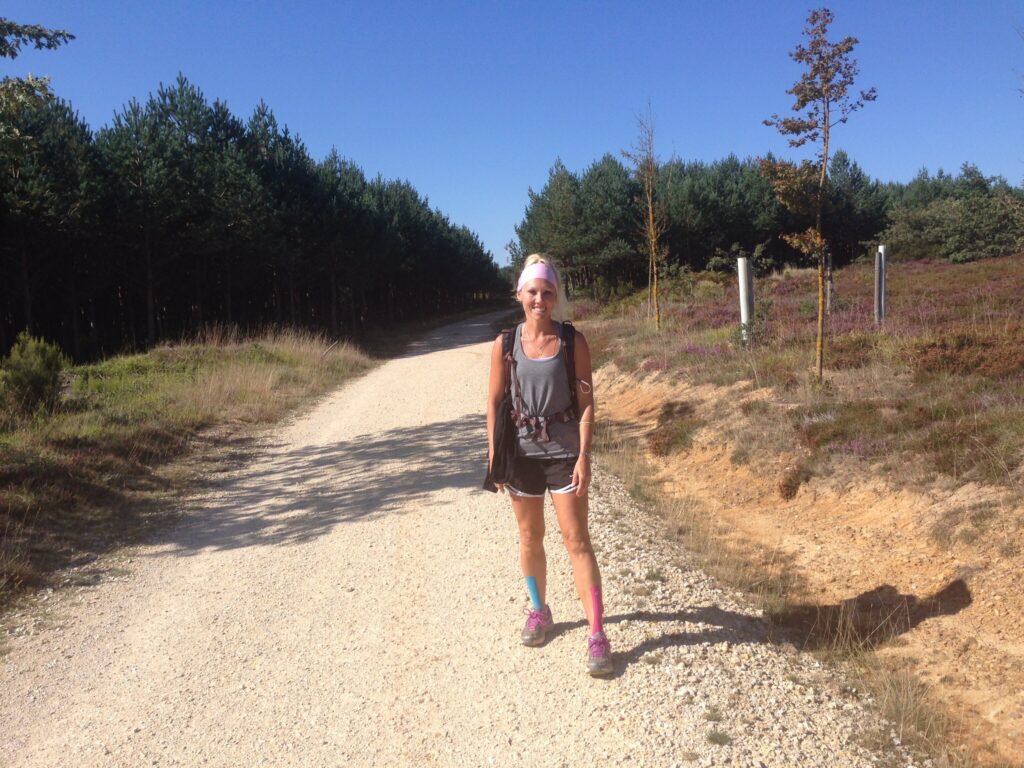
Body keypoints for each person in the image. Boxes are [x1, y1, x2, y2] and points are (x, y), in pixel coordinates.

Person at [486, 254, 612, 676]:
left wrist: (585, 455)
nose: (540, 299)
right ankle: (539, 610)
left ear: (556, 296)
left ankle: (597, 633)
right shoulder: (505, 344)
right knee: (529, 537)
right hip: (521, 457)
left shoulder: (573, 341)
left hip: (565, 455)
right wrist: (494, 456)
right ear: (519, 294)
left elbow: (587, 400)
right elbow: (494, 402)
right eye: (533, 292)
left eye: (547, 292)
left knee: (577, 541)